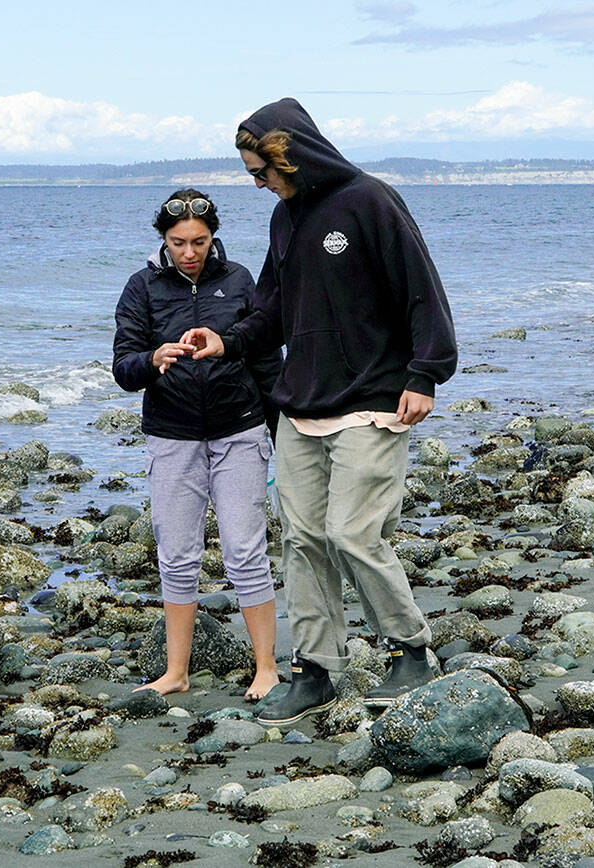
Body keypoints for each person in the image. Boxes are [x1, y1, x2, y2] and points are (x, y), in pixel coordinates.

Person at [181, 98, 457, 726]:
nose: (258, 185)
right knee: (303, 539)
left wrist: (425, 373)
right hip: (300, 401)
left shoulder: (370, 200)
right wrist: (228, 339)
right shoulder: (286, 217)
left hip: (375, 397)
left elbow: (422, 290)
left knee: (353, 533)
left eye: (262, 172)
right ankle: (317, 668)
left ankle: (411, 649)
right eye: (252, 175)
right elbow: (274, 306)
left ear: (292, 157)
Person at [112, 188, 283, 701]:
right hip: (171, 434)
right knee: (177, 555)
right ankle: (176, 672)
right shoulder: (142, 287)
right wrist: (151, 359)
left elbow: (265, 356)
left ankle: (267, 668)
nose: (190, 252)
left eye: (200, 241)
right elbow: (123, 367)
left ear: (214, 237)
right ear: (162, 239)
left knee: (245, 551)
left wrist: (281, 434)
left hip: (240, 430)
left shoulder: (239, 281)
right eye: (179, 242)